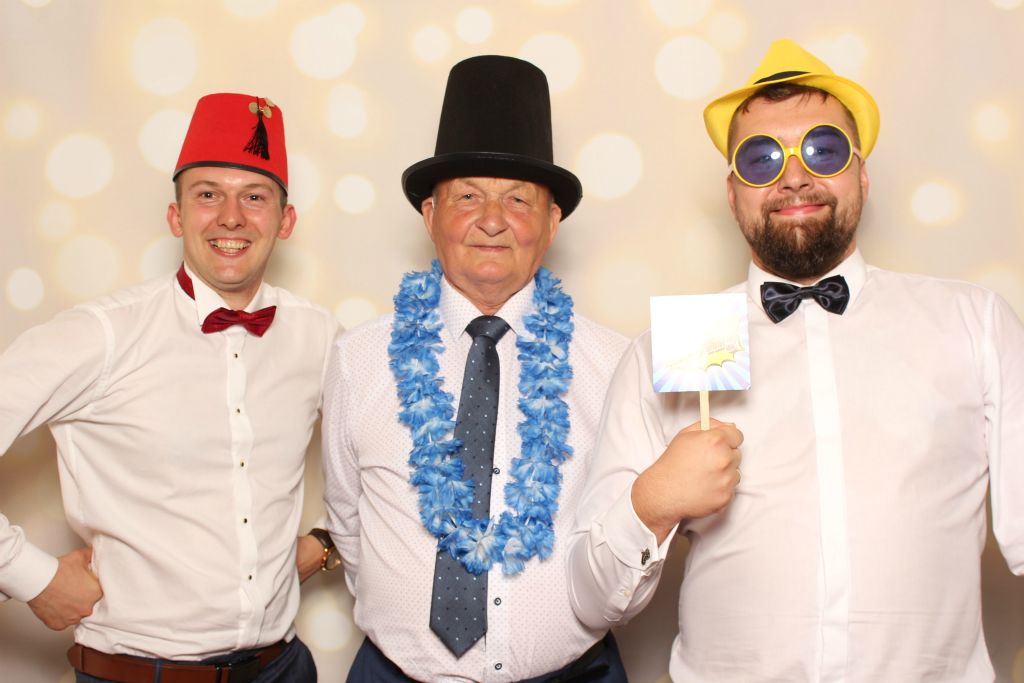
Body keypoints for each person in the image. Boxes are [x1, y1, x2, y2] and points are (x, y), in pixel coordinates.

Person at [567, 38, 1024, 681]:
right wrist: (652, 502)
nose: (793, 176)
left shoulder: (974, 323)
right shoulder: (666, 350)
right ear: (733, 194)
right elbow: (590, 599)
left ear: (862, 175)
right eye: (761, 159)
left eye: (822, 150)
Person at [0, 93, 341, 682]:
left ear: (285, 221)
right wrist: (31, 576)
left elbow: (389, 456)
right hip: (138, 673)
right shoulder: (100, 335)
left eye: (254, 196)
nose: (231, 217)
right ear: (176, 216)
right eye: (208, 194)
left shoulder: (319, 335)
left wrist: (328, 540)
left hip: (283, 668)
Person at [321, 55, 630, 682]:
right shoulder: (357, 358)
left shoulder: (615, 363)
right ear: (430, 216)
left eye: (518, 199)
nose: (492, 220)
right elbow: (348, 521)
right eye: (467, 197)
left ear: (552, 221)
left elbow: (623, 538)